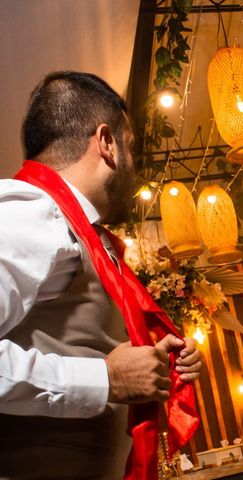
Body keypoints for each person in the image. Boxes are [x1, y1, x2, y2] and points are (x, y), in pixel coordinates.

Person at [0, 71, 202, 479]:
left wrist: (154, 360)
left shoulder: (83, 234)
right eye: (131, 148)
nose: (135, 163)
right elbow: (103, 371)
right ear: (106, 143)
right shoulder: (31, 214)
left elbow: (75, 337)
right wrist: (104, 378)